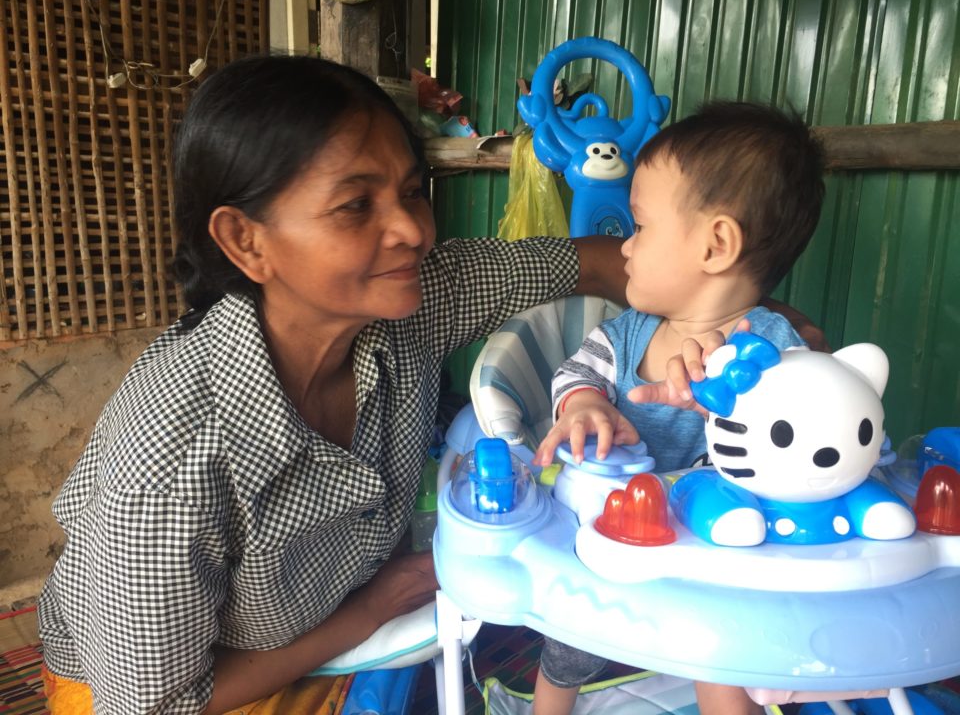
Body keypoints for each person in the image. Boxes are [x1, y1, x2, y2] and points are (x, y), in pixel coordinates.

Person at [36, 55, 631, 715]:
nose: (412, 230)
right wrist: (369, 611)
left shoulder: (414, 301)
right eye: (355, 206)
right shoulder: (171, 462)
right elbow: (154, 704)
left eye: (412, 191)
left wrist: (737, 316)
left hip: (331, 624)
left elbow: (599, 267)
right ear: (245, 240)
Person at [531, 101, 826, 715]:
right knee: (567, 636)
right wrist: (586, 405)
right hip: (613, 541)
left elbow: (807, 431)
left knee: (721, 656)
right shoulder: (624, 336)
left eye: (640, 227)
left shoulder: (777, 354)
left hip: (726, 555)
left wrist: (736, 397)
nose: (627, 247)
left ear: (716, 244)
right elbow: (574, 372)